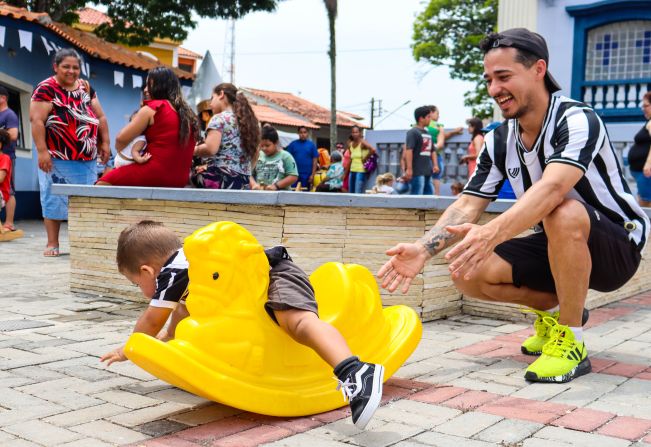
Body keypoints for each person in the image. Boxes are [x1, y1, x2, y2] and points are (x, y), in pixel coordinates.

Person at [378, 28, 649, 384]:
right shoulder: (499, 139)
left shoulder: (577, 119)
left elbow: (553, 189)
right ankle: (558, 313)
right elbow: (468, 203)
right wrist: (421, 249)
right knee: (468, 270)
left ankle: (572, 342)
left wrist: (491, 233)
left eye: (504, 77)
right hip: (556, 241)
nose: (494, 90)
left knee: (562, 209)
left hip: (615, 245)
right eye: (489, 79)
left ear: (538, 69)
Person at [100, 220, 384, 429]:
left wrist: (130, 349)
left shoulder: (174, 271)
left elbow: (152, 320)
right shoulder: (188, 274)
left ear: (147, 270)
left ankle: (356, 371)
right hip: (255, 285)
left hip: (275, 276)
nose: (141, 289)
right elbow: (177, 323)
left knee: (296, 322)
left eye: (137, 283)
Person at [31, 48, 110, 257]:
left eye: (75, 67)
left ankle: (82, 243)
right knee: (53, 198)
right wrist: (41, 151)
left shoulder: (85, 87)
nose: (71, 71)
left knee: (85, 201)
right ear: (55, 67)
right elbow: (37, 120)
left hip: (86, 157)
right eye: (66, 66)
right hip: (56, 156)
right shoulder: (46, 89)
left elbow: (100, 117)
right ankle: (52, 242)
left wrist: (105, 143)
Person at [98, 67, 198, 188]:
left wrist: (123, 150)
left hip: (154, 173)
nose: (145, 90)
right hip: (180, 179)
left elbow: (120, 140)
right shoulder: (189, 114)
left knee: (102, 183)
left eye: (149, 85)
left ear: (160, 86)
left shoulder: (154, 108)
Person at [193, 83, 259, 190]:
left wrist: (193, 149)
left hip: (221, 180)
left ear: (221, 94)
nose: (210, 104)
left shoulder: (219, 118)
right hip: (243, 182)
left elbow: (210, 149)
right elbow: (255, 155)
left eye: (212, 98)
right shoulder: (249, 122)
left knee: (193, 174)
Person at [427, 106, 463, 195]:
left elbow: (441, 136)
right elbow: (441, 139)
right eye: (437, 113)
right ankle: (436, 197)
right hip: (435, 155)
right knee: (436, 177)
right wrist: (453, 132)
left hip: (423, 156)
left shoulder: (421, 126)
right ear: (430, 113)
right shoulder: (438, 126)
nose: (438, 116)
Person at [250, 126, 298, 191]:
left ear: (276, 143)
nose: (264, 148)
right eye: (261, 145)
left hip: (281, 198)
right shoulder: (258, 155)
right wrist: (253, 185)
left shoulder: (286, 156)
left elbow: (293, 176)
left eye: (267, 145)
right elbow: (248, 174)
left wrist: (276, 186)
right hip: (261, 197)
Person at [405, 106, 436, 195]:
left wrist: (435, 165)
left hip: (428, 170)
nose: (430, 119)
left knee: (429, 195)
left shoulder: (427, 133)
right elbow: (409, 150)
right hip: (417, 171)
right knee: (417, 195)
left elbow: (432, 150)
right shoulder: (413, 132)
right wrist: (409, 169)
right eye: (428, 117)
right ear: (421, 118)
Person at [0, 86, 19, 232]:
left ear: (3, 98)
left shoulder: (9, 115)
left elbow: (13, 135)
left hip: (6, 157)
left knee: (9, 189)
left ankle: (9, 223)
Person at [628, 91, 651, 207]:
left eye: (646, 105)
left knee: (645, 205)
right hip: (641, 173)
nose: (643, 109)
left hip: (646, 172)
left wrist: (648, 165)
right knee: (643, 203)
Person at [285, 126, 318, 190]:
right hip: (294, 174)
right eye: (301, 132)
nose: (303, 134)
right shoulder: (293, 144)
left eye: (304, 132)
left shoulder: (311, 145)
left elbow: (315, 160)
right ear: (298, 133)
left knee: (305, 194)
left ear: (307, 133)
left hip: (307, 175)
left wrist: (312, 175)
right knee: (292, 192)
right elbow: (287, 158)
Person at [346, 125, 377, 194]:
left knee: (357, 192)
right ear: (351, 133)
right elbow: (351, 159)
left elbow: (373, 150)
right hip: (352, 170)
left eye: (356, 132)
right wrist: (345, 173)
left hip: (360, 171)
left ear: (360, 133)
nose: (355, 134)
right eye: (353, 132)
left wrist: (365, 158)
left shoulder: (362, 142)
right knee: (350, 192)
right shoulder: (350, 144)